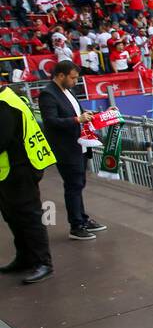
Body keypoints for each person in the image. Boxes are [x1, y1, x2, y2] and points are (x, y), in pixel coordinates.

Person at [37, 60, 106, 241]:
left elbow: (79, 113)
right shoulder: (47, 94)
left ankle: (82, 218)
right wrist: (77, 120)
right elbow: (51, 121)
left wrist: (96, 116)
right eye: (73, 78)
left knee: (79, 184)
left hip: (79, 145)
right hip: (66, 149)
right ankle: (76, 226)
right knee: (73, 186)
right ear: (61, 76)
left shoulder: (69, 90)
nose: (76, 81)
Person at [0, 86, 56, 283]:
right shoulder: (10, 97)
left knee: (29, 217)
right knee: (12, 216)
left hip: (19, 171)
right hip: (8, 171)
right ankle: (24, 258)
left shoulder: (5, 105)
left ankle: (43, 263)